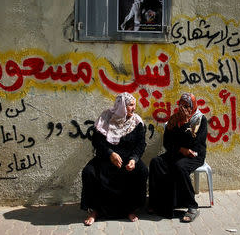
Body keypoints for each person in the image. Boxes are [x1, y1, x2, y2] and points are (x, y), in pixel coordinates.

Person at [81, 93, 148, 226]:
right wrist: (110, 153)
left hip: (128, 159)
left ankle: (130, 209)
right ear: (121, 106)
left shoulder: (136, 122)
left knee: (142, 171)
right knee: (89, 172)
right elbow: (97, 141)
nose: (134, 108)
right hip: (105, 158)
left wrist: (134, 159)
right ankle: (95, 210)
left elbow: (141, 144)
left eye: (134, 105)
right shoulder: (106, 117)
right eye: (130, 105)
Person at [148, 93, 207, 222]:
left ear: (193, 106)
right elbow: (167, 143)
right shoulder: (174, 120)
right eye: (182, 105)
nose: (184, 109)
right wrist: (181, 149)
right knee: (156, 162)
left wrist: (186, 124)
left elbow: (195, 144)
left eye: (187, 106)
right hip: (177, 152)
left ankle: (192, 207)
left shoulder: (200, 120)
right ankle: (155, 203)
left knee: (180, 166)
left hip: (195, 154)